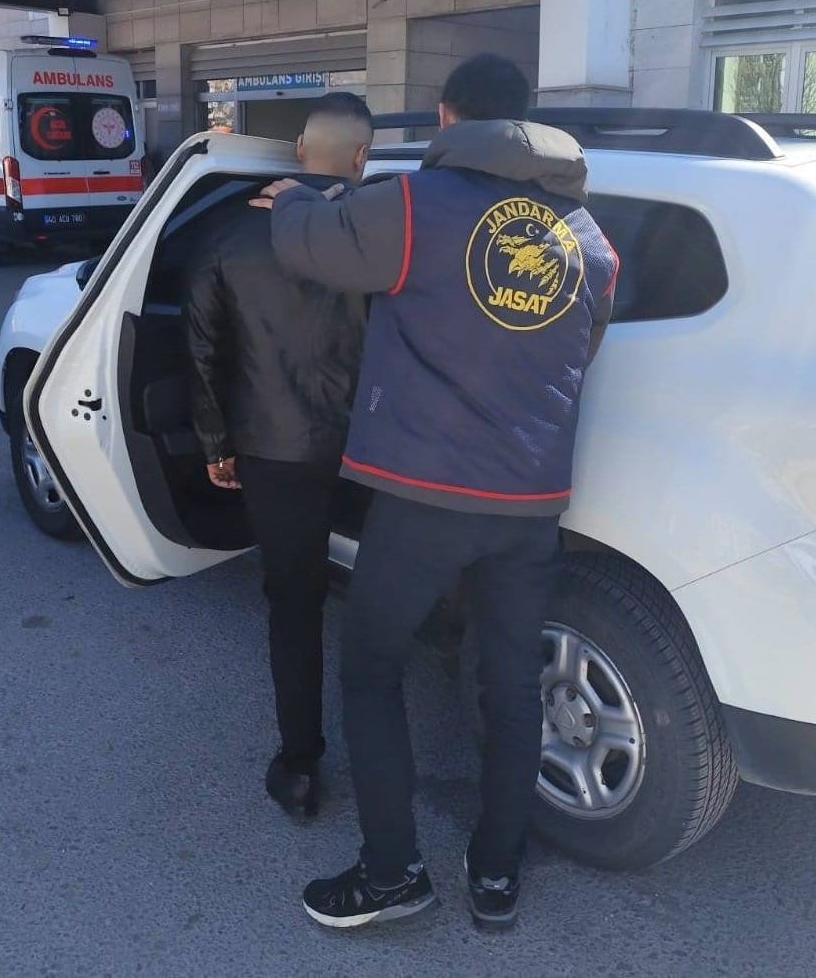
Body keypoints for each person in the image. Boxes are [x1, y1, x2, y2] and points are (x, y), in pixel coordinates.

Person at [255, 55, 618, 931]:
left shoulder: (414, 205)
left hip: (427, 496)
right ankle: (496, 875)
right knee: (512, 686)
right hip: (531, 500)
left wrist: (296, 197)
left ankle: (392, 873)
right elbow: (583, 347)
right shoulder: (588, 238)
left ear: (449, 118)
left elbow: (310, 246)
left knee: (372, 668)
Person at [182, 92, 372, 818]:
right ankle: (387, 747)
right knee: (385, 600)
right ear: (362, 158)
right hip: (377, 449)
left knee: (295, 605)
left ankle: (299, 767)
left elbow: (202, 349)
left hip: (273, 449)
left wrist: (215, 443)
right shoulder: (382, 230)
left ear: (299, 150)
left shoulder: (230, 233)